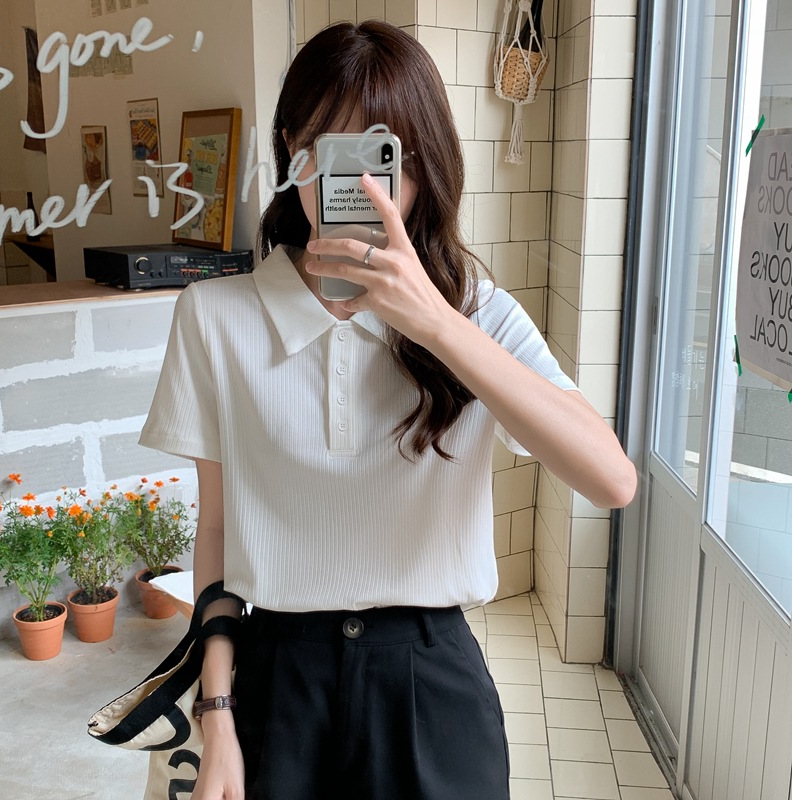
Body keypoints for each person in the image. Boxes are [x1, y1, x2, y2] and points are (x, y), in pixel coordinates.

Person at [139, 20, 637, 800]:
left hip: (431, 685)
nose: (355, 185)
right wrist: (217, 717)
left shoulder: (477, 312)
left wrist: (436, 322)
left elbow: (611, 479)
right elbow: (217, 533)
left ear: (422, 164)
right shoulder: (215, 316)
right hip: (277, 684)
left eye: (381, 156)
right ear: (292, 154)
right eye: (325, 149)